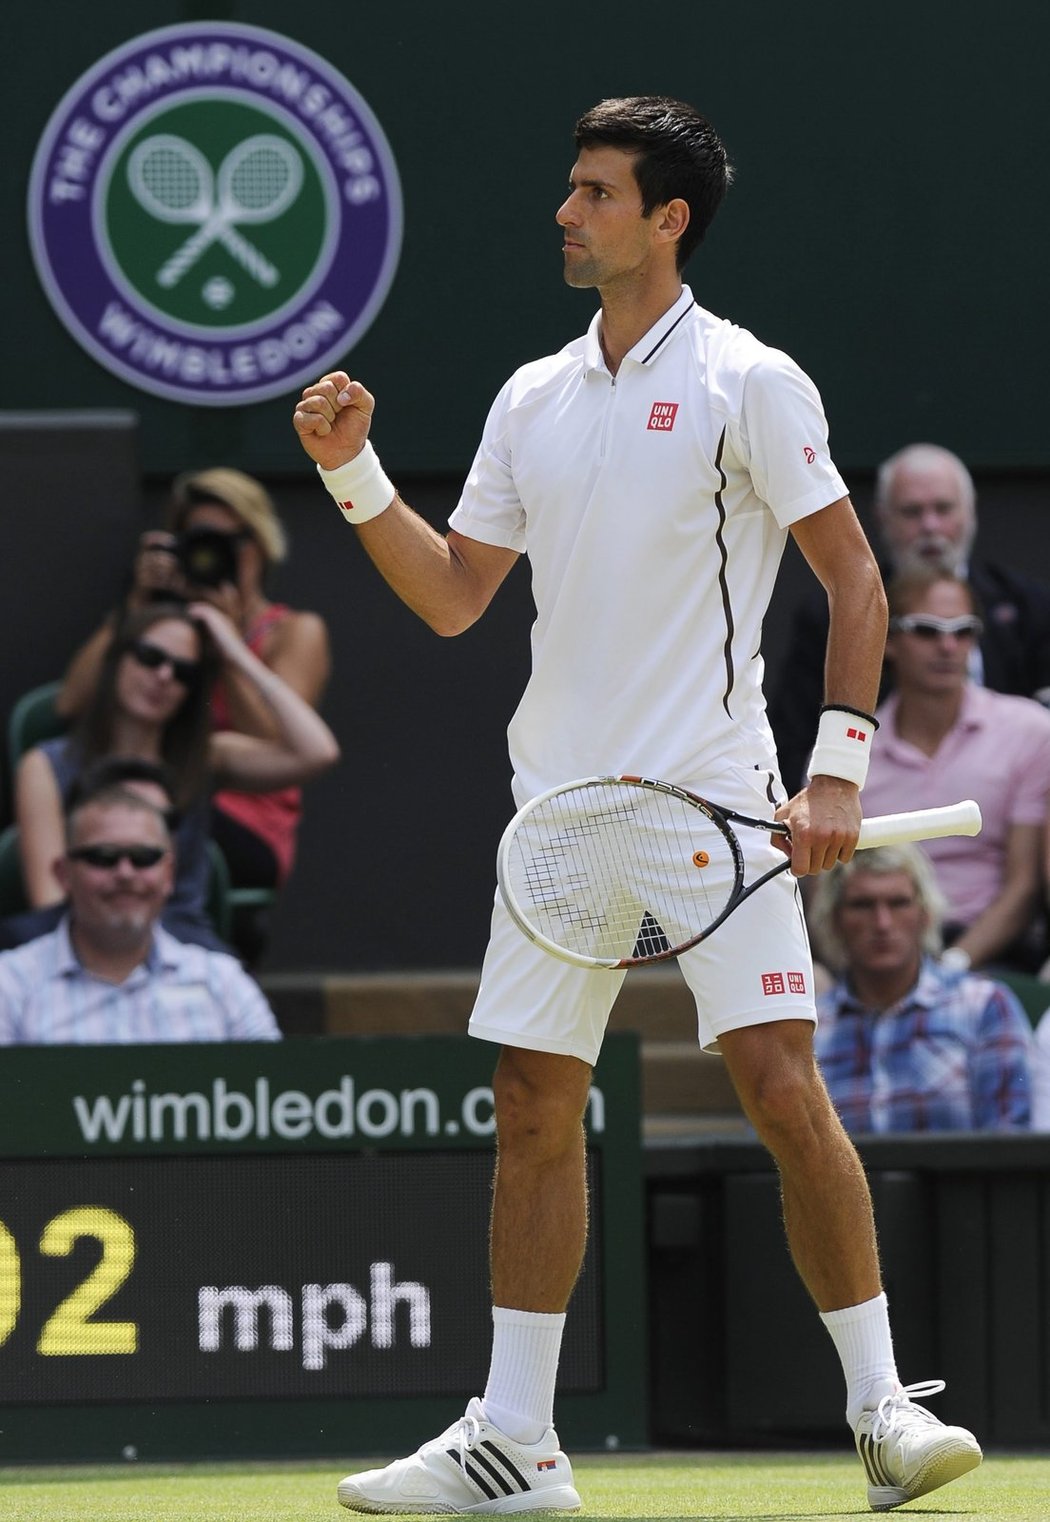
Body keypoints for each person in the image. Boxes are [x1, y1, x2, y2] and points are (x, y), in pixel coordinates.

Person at [292, 96, 980, 1513]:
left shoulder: (749, 380)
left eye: (593, 193)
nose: (565, 211)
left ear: (664, 220)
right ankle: (514, 1441)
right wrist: (350, 472)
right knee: (532, 1100)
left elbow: (853, 576)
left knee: (782, 1088)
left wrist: (837, 763)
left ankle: (879, 1413)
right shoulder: (528, 396)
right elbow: (449, 595)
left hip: (710, 802)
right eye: (570, 190)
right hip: (557, 815)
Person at [57, 466, 332, 893]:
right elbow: (70, 704)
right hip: (165, 794)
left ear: (261, 544)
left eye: (232, 541)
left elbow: (276, 740)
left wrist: (228, 646)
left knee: (150, 831)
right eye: (201, 539)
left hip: (247, 813)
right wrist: (137, 604)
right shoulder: (168, 628)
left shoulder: (295, 631)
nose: (216, 554)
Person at [15, 601, 339, 956]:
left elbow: (318, 752)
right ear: (118, 658)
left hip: (186, 954)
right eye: (150, 657)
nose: (164, 676)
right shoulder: (47, 764)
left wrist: (235, 655)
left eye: (184, 671)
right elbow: (49, 899)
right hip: (84, 948)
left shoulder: (205, 758)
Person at [769, 442, 1050, 794]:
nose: (930, 525)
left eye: (964, 631)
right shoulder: (831, 611)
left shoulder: (1028, 606)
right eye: (912, 511)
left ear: (970, 512)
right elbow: (794, 737)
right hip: (874, 796)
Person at [861, 568, 1050, 974]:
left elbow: (1025, 885)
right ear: (888, 640)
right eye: (927, 630)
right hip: (876, 966)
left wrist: (953, 965)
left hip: (994, 962)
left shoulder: (1031, 730)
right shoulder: (849, 754)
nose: (948, 645)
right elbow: (833, 893)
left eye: (964, 631)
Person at [0, 784, 280, 1043]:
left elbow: (273, 1085)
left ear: (169, 874)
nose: (125, 873)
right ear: (64, 875)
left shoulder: (223, 981)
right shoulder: (10, 984)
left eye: (143, 858)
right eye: (103, 857)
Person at [809, 844, 1033, 1131]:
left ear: (925, 913)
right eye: (862, 905)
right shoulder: (810, 1029)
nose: (882, 923)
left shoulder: (983, 1006)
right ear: (835, 919)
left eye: (898, 903)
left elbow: (1010, 1143)